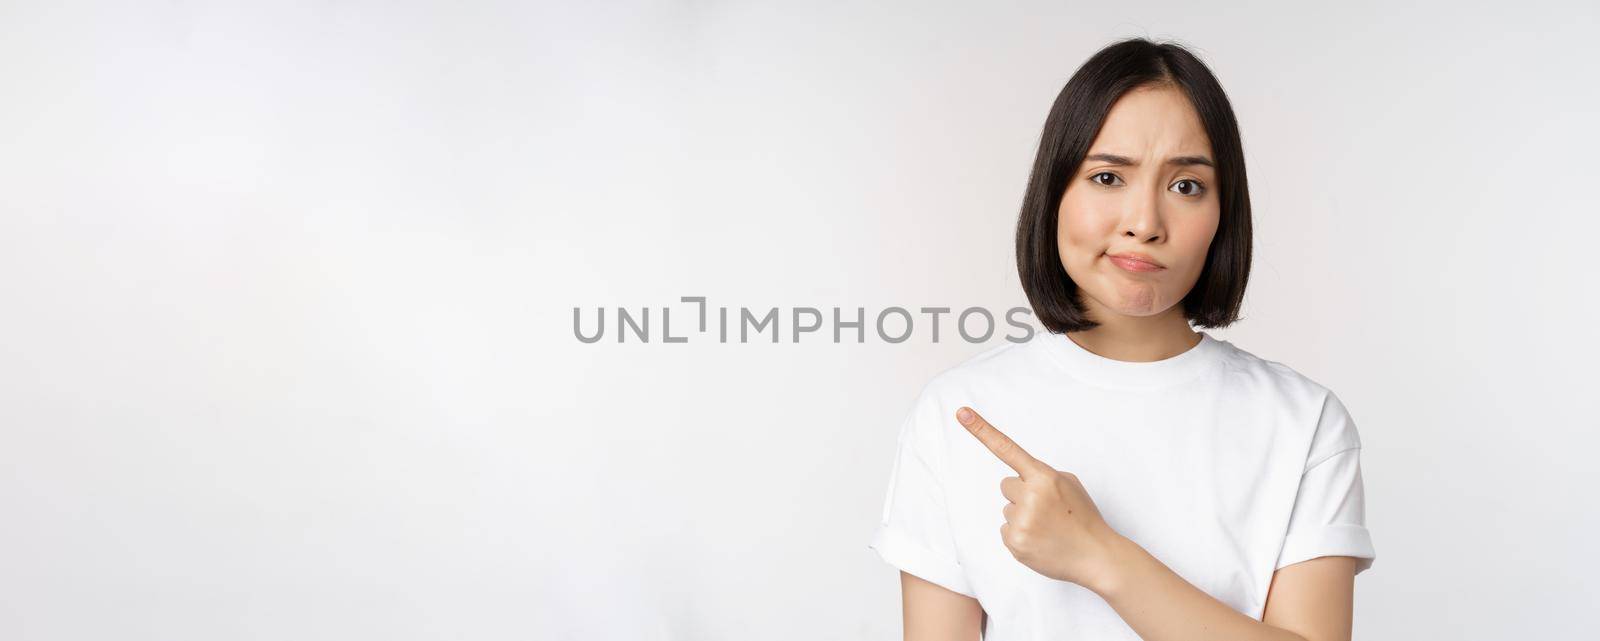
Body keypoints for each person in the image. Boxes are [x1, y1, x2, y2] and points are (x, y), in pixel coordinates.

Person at [868, 37, 1376, 641]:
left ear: (1224, 213)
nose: (1144, 223)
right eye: (1108, 177)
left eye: (1185, 186)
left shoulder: (1303, 423)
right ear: (1054, 192)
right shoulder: (957, 415)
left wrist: (1100, 557)